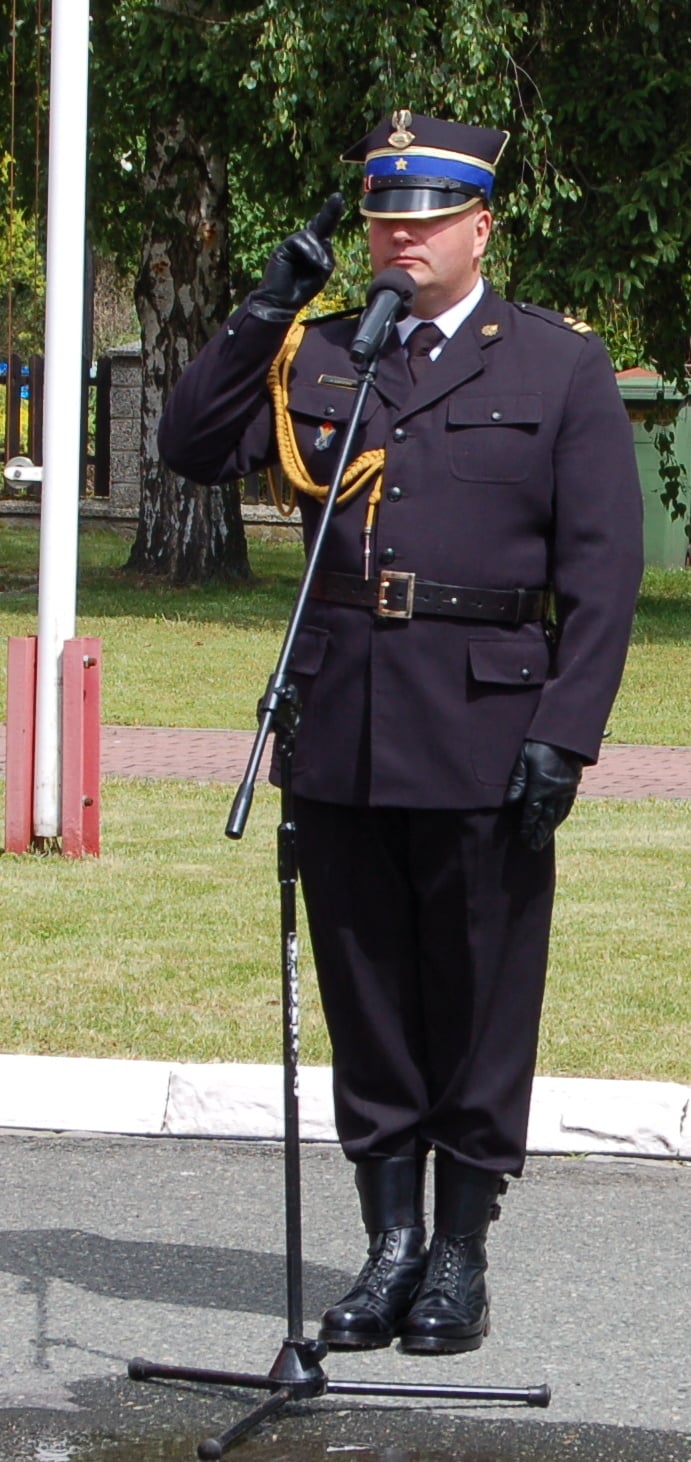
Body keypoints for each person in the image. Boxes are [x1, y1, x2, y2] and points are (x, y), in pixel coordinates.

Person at [159, 109, 643, 1356]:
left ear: (481, 228)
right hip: (343, 724)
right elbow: (191, 444)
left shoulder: (555, 366)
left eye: (424, 220)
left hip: (486, 728)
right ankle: (387, 1245)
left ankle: (460, 1252)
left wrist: (566, 733)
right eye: (383, 220)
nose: (397, 239)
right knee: (366, 991)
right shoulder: (325, 352)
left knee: (479, 995)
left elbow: (602, 573)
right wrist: (266, 306)